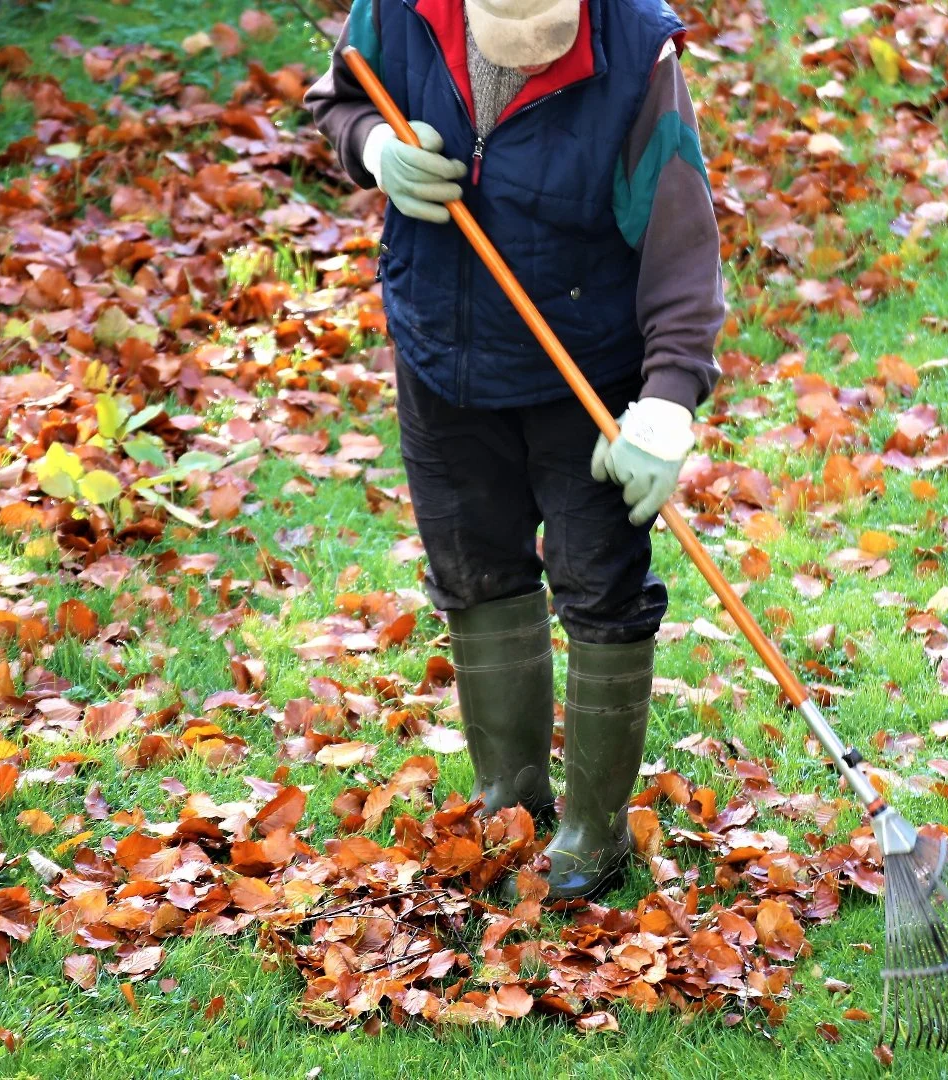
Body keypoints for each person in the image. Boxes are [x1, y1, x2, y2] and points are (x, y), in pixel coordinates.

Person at [304, 0, 725, 901]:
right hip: (442, 357)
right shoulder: (398, 10)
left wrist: (667, 403)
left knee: (601, 588)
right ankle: (515, 803)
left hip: (585, 371)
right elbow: (338, 99)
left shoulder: (635, 52)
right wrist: (377, 148)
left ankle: (594, 830)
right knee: (477, 573)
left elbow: (682, 239)